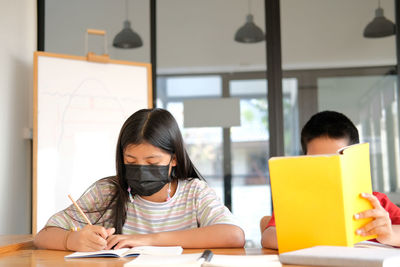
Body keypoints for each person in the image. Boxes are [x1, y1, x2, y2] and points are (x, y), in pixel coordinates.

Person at [34, 108, 245, 251]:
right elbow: (43, 236)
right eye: (131, 160)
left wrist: (146, 240)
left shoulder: (194, 192)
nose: (141, 169)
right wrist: (72, 240)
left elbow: (234, 236)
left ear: (174, 159)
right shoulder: (108, 192)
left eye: (152, 162)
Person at [261, 110, 400, 249]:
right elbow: (268, 237)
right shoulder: (296, 202)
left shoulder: (375, 202)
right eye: (318, 162)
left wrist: (391, 234)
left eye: (337, 162)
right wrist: (317, 235)